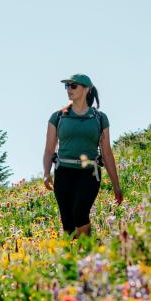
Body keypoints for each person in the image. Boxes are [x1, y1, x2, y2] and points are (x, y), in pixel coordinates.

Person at [43, 73, 123, 238]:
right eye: (67, 86)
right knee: (68, 223)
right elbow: (49, 149)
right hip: (63, 172)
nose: (69, 89)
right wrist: (46, 173)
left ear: (87, 89)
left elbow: (107, 153)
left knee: (80, 213)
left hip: (89, 172)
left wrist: (116, 185)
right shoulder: (58, 116)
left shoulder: (99, 118)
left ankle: (87, 249)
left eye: (73, 86)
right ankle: (75, 257)